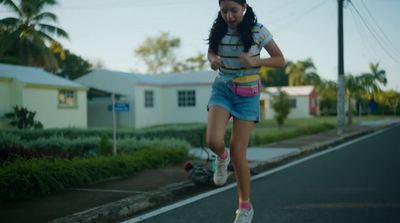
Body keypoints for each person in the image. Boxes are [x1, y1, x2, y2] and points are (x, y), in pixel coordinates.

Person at [206, 0, 285, 222]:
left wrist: (255, 60)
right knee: (213, 140)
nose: (229, 16)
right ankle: (221, 158)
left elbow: (280, 60)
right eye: (224, 11)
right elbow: (211, 51)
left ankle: (245, 207)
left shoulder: (258, 30)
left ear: (244, 7)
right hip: (222, 89)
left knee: (238, 151)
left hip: (247, 95)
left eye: (233, 10)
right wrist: (213, 61)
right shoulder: (219, 27)